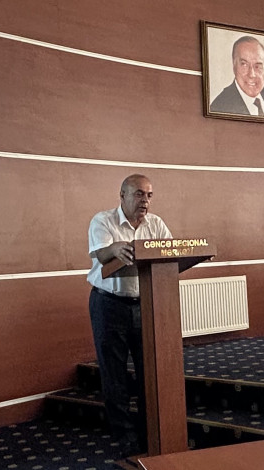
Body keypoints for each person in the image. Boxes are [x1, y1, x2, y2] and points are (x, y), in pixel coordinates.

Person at [87, 173, 172, 457]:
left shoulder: (156, 224)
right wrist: (114, 248)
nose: (145, 200)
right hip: (108, 305)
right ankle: (124, 436)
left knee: (150, 370)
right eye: (138, 194)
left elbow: (170, 254)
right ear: (122, 195)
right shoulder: (103, 221)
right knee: (114, 374)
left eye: (149, 195)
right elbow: (102, 255)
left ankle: (151, 432)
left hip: (145, 304)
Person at [209, 35, 264, 117]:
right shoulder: (219, 107)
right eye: (244, 65)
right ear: (234, 66)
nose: (252, 74)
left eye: (258, 66)